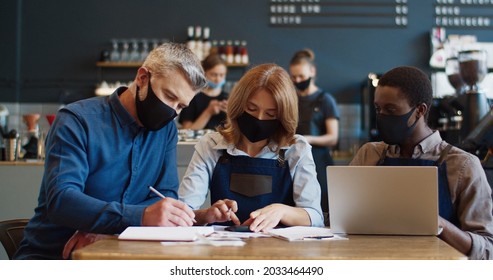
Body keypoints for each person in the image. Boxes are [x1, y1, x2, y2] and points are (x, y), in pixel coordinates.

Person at [14, 42, 207, 259]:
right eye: (169, 97)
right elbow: (62, 200)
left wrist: (108, 230)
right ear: (142, 78)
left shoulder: (167, 131)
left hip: (119, 254)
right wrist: (141, 215)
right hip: (54, 256)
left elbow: (165, 196)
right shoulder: (76, 121)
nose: (172, 112)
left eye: (180, 106)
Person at [350, 66, 493, 260]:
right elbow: (341, 218)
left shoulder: (463, 166)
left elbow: (487, 250)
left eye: (391, 109)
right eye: (378, 109)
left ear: (419, 110)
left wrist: (437, 223)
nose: (382, 116)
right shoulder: (370, 154)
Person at [179, 63, 324, 232]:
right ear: (238, 105)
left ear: (283, 116)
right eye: (251, 109)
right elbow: (184, 211)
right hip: (225, 252)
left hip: (279, 253)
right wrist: (206, 215)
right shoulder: (211, 145)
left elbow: (314, 216)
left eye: (271, 114)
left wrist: (282, 211)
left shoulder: (296, 149)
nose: (259, 119)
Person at [289, 49, 340, 223]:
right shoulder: (291, 99)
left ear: (312, 72)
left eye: (301, 77)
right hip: (293, 159)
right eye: (294, 77)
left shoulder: (326, 100)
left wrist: (307, 139)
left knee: (322, 208)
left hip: (320, 162)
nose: (297, 81)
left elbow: (333, 137)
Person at [179, 54, 228, 130]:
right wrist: (208, 112)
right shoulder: (192, 97)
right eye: (214, 75)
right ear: (204, 73)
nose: (218, 79)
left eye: (221, 75)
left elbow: (234, 131)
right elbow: (187, 130)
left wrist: (231, 115)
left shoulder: (228, 98)